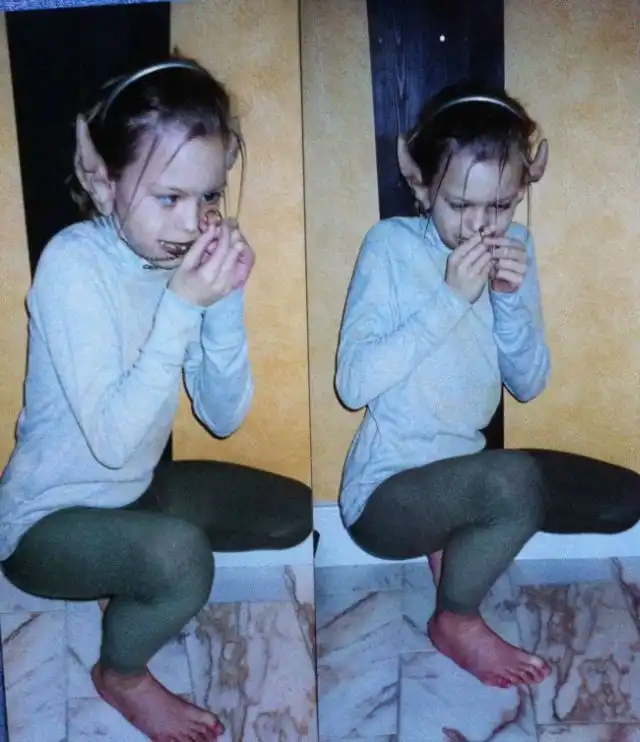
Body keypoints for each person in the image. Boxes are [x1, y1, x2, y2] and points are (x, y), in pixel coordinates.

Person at [0, 56, 311, 742]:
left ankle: (125, 568)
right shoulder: (73, 266)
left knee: (292, 514)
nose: (193, 221)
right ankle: (121, 673)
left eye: (208, 196)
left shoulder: (181, 267)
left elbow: (223, 416)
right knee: (181, 561)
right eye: (168, 197)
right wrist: (182, 307)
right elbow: (113, 440)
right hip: (44, 524)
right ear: (102, 182)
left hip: (133, 492)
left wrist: (223, 305)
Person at [335, 80, 640, 690]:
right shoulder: (389, 246)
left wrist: (507, 301)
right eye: (459, 205)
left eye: (499, 206)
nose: (479, 225)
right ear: (423, 186)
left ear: (521, 193)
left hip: (464, 476)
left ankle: (457, 541)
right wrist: (451, 299)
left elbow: (528, 383)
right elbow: (352, 384)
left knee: (624, 500)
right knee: (514, 481)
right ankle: (455, 619)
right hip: (384, 497)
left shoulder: (516, 246)